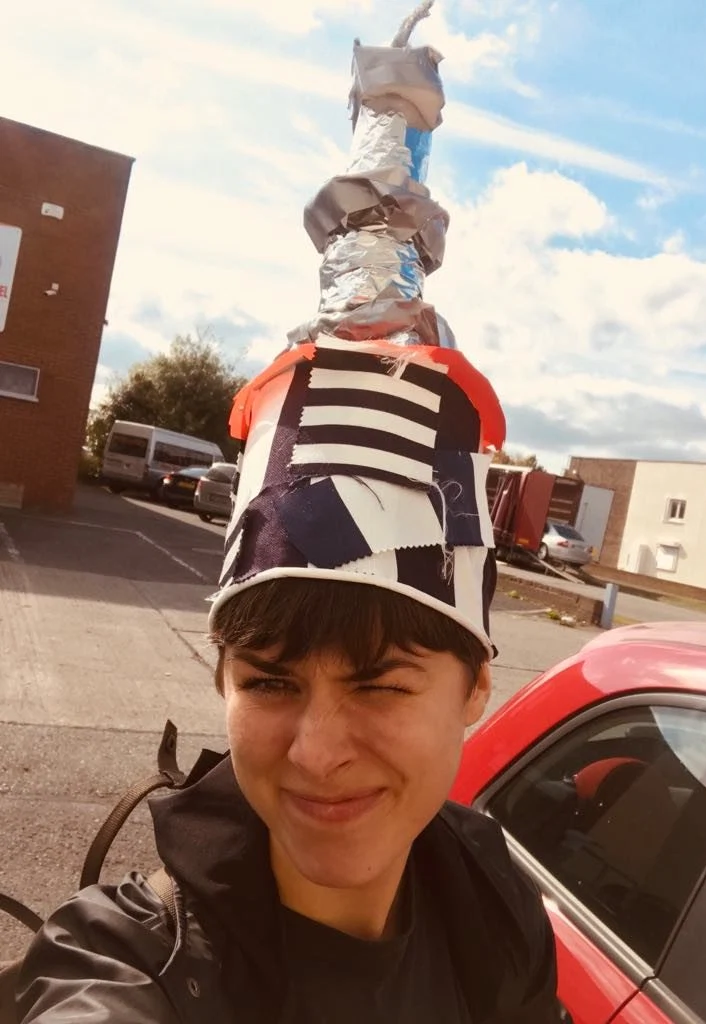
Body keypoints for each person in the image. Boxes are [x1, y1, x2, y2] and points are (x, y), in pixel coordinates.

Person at [15, 4, 561, 1020]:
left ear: (476, 686)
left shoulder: (490, 902)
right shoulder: (128, 969)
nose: (315, 750)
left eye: (381, 683)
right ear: (221, 676)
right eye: (268, 679)